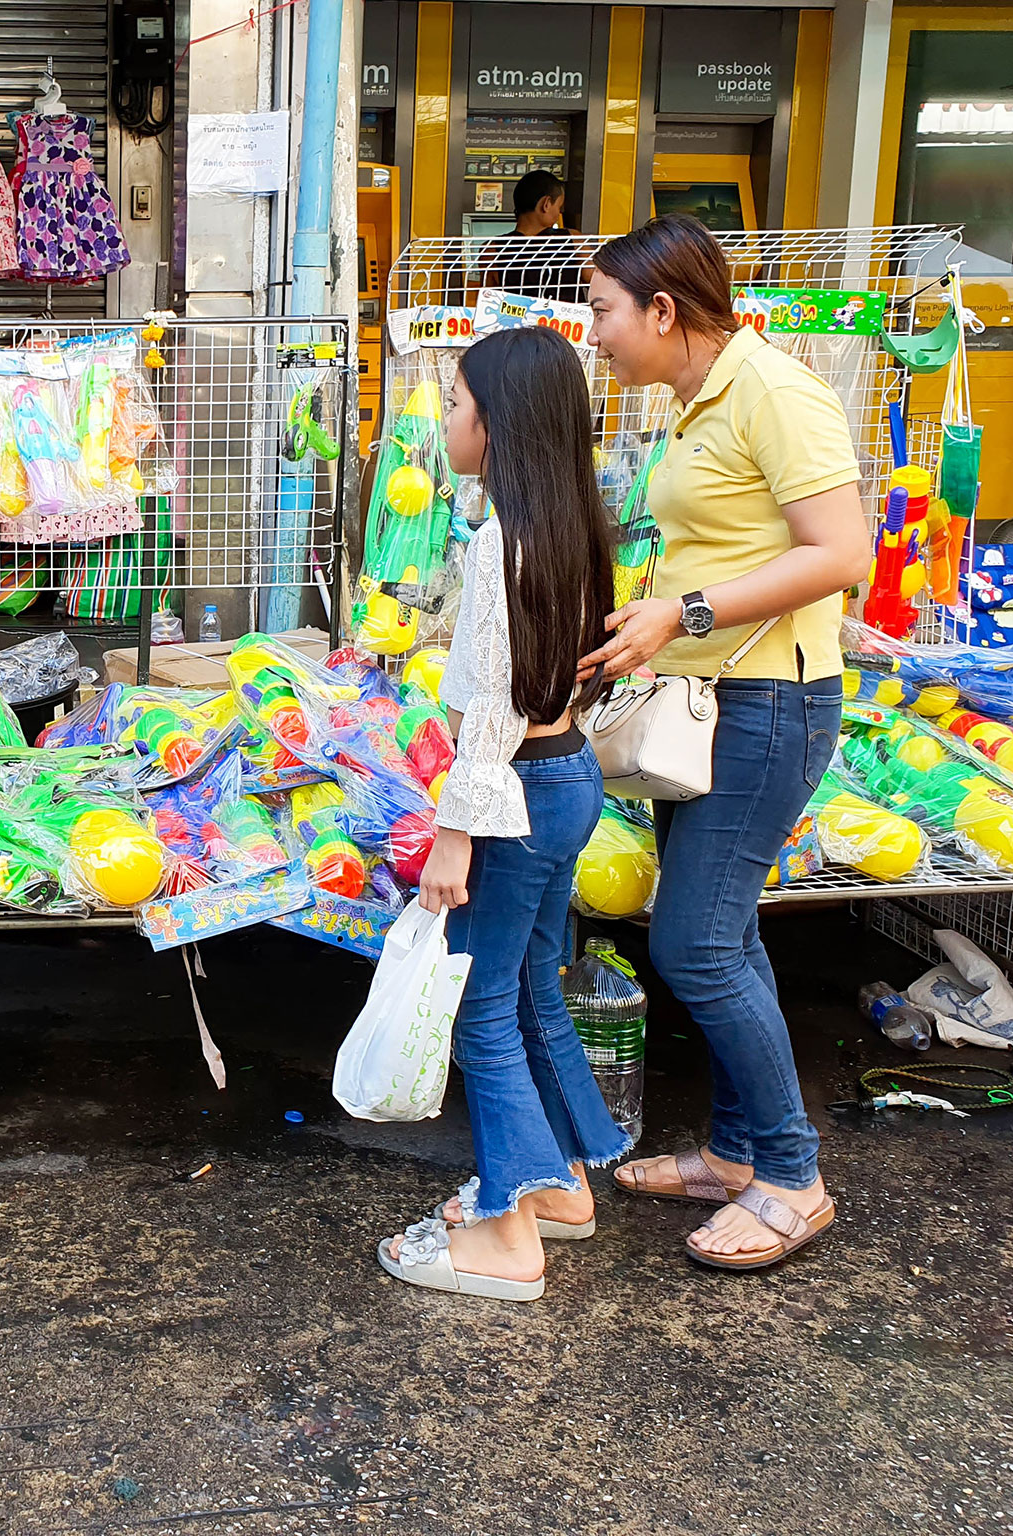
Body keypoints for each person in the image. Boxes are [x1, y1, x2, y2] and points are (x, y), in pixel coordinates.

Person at [578, 214, 872, 1271]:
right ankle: (737, 1153)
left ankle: (792, 1178)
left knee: (693, 943)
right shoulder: (690, 403)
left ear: (663, 309)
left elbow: (842, 553)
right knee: (725, 934)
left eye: (604, 310)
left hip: (767, 705)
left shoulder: (774, 391)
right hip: (701, 711)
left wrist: (683, 615)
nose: (593, 332)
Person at [377, 325, 628, 1305]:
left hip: (514, 788)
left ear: (498, 424)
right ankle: (556, 1182)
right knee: (526, 985)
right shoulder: (568, 525)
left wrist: (452, 831)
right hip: (563, 777)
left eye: (453, 404)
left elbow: (495, 705)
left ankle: (503, 1232)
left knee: (480, 1009)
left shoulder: (497, 542)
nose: (443, 421)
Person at [477, 170, 584, 304]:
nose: (559, 213)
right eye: (559, 207)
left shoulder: (492, 250)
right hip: (566, 324)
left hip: (515, 324)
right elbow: (598, 281)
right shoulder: (574, 240)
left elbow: (487, 303)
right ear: (546, 204)